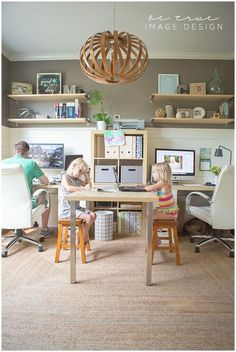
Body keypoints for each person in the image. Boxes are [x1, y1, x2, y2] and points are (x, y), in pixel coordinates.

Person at [2, 140, 52, 241]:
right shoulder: (31, 163)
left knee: (17, 201)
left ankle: (19, 230)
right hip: (25, 204)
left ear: (15, 151)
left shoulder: (3, 163)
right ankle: (44, 229)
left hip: (6, 204)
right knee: (45, 199)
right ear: (27, 152)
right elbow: (46, 181)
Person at [59, 158, 96, 243]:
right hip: (67, 210)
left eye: (81, 172)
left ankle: (80, 233)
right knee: (89, 217)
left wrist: (86, 174)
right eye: (79, 171)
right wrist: (83, 188)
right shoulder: (65, 176)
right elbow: (68, 188)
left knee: (93, 215)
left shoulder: (76, 179)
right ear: (73, 166)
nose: (79, 174)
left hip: (76, 208)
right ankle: (80, 235)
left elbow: (89, 186)